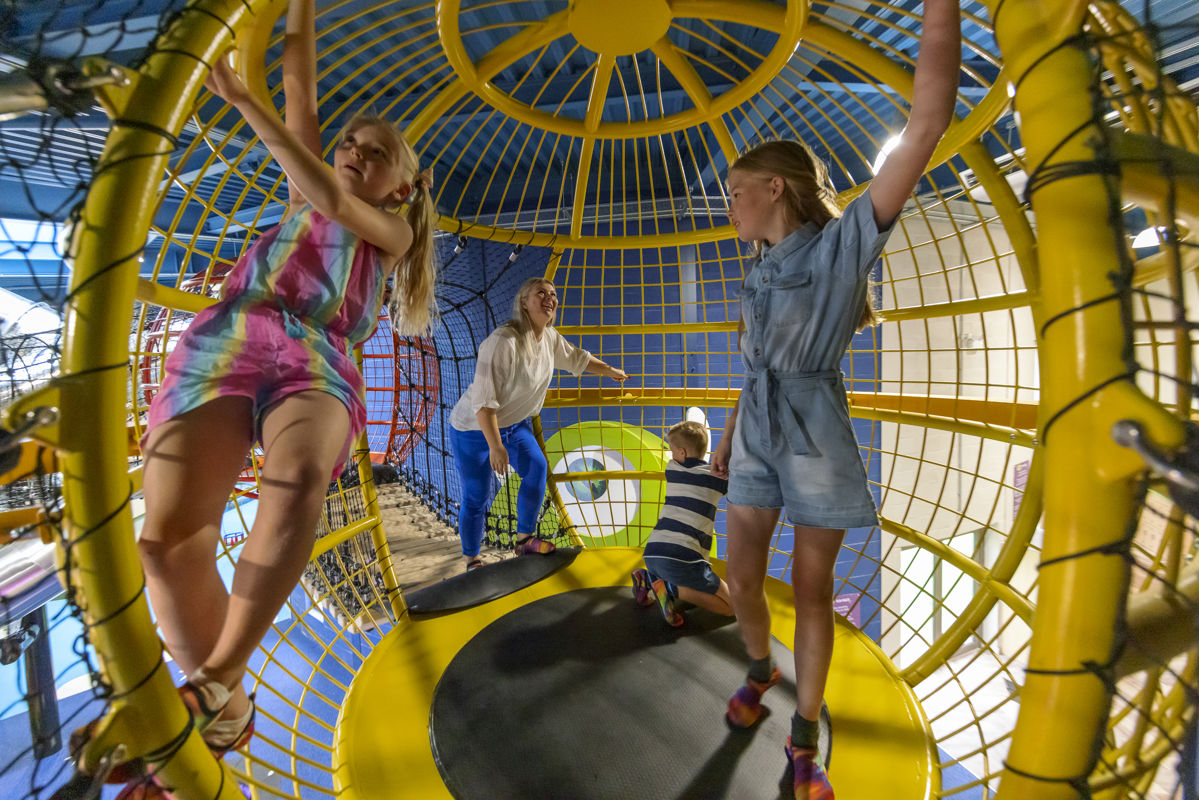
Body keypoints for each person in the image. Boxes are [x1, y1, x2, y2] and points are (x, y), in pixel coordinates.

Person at [74, 0, 438, 784]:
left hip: (314, 352)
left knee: (299, 473)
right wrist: (290, 8)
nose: (352, 153)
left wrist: (243, 102)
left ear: (404, 187)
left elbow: (334, 194)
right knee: (164, 548)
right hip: (227, 337)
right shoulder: (307, 191)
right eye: (347, 143)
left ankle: (215, 678)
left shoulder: (391, 232)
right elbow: (300, 82)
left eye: (376, 153)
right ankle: (230, 707)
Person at [710, 3, 960, 798]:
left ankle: (803, 742)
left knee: (810, 588)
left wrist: (939, 14)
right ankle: (758, 668)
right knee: (739, 577)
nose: (729, 206)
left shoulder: (841, 245)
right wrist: (725, 436)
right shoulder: (753, 271)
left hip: (814, 435)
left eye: (736, 192)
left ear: (773, 187)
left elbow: (924, 122)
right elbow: (755, 368)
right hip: (755, 432)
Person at [449, 277, 628, 571]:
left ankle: (524, 540)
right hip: (473, 429)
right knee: (477, 495)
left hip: (514, 425)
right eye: (541, 293)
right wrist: (495, 447)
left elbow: (577, 359)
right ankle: (472, 558)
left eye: (553, 294)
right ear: (524, 302)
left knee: (537, 468)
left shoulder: (550, 338)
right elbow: (483, 404)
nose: (550, 298)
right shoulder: (501, 343)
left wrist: (609, 371)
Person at [631, 420, 732, 626]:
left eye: (672, 450)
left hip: (652, 553)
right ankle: (667, 588)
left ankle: (648, 578)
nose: (671, 454)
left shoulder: (673, 469)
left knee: (685, 579)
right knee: (733, 608)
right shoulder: (715, 478)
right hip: (683, 559)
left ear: (682, 453)